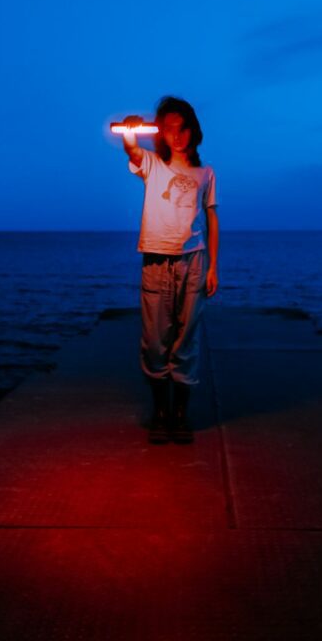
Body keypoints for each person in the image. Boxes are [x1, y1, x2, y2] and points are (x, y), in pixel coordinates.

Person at [119, 96, 219, 444]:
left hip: (193, 262)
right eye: (170, 129)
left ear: (193, 130)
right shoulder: (152, 164)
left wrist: (213, 268)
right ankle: (161, 412)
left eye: (183, 128)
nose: (177, 136)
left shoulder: (205, 173)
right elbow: (131, 149)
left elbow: (211, 218)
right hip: (156, 261)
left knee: (186, 340)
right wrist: (131, 130)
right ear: (161, 133)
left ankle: (181, 414)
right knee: (155, 341)